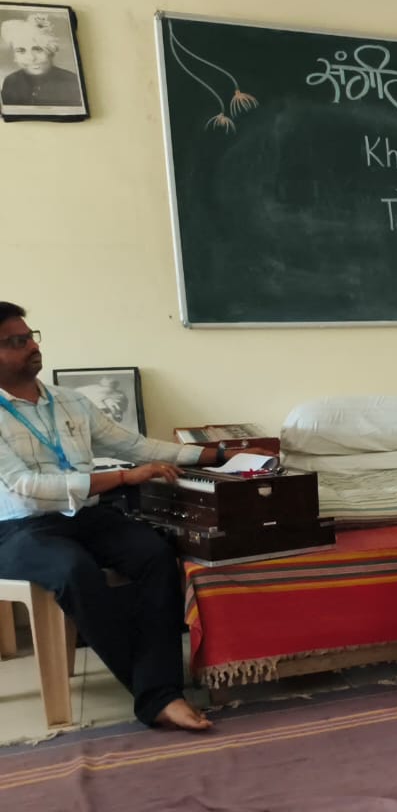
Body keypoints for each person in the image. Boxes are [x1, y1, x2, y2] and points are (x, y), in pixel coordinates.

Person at [0, 304, 267, 731]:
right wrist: (123, 477)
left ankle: (158, 687)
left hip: (84, 515)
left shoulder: (69, 401)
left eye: (31, 336)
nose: (31, 346)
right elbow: (25, 485)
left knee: (155, 553)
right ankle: (159, 695)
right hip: (16, 528)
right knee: (74, 571)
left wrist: (218, 455)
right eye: (16, 342)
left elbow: (137, 447)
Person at [1, 14, 82, 109]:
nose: (31, 58)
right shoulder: (11, 82)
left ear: (51, 51)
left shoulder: (71, 81)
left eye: (38, 49)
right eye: (21, 51)